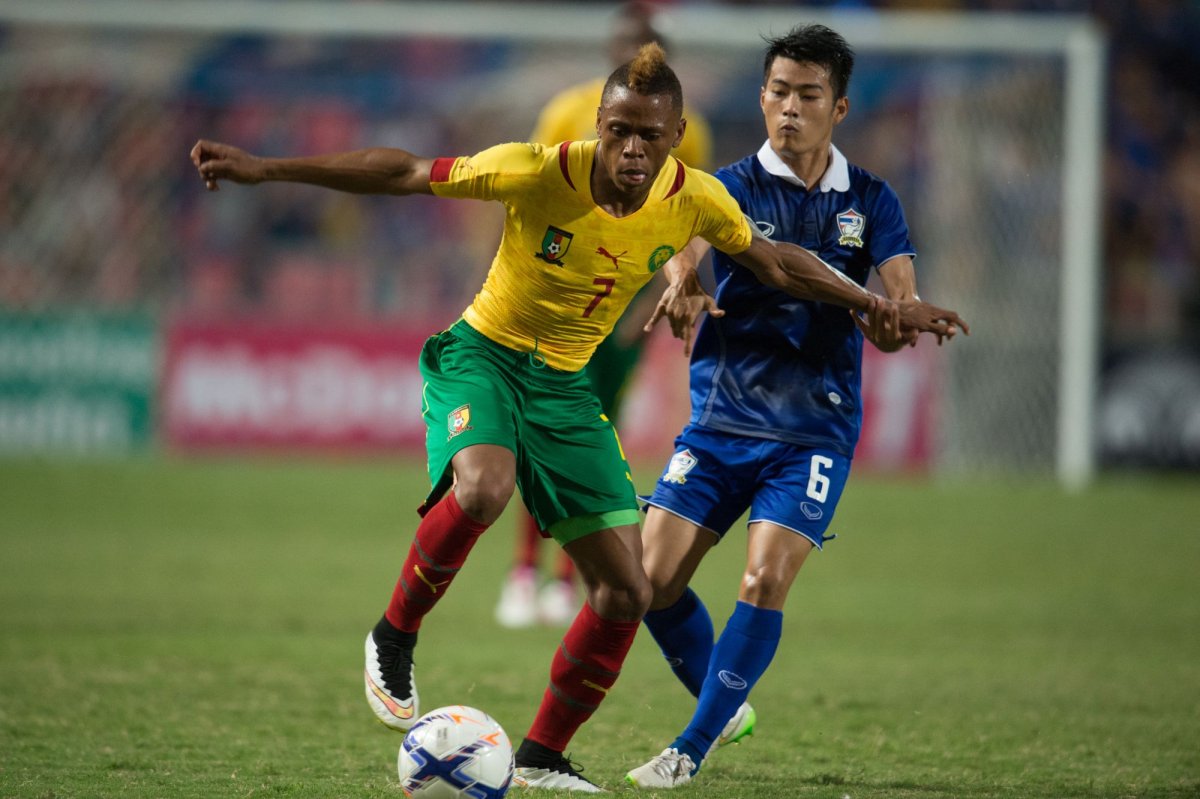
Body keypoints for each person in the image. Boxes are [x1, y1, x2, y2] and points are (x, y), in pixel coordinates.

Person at [191, 43, 965, 793]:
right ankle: (393, 635)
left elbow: (779, 260)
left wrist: (875, 302)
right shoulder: (534, 170)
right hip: (485, 355)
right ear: (597, 122)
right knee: (486, 487)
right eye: (618, 130)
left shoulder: (696, 196)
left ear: (675, 139)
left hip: (564, 388)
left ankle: (541, 756)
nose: (631, 149)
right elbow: (400, 171)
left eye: (649, 137)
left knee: (628, 591)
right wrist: (266, 168)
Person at [625, 24, 963, 789]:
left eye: (808, 95)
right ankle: (724, 699)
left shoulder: (873, 200)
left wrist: (895, 320)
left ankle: (691, 745)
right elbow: (686, 247)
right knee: (647, 584)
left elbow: (898, 306)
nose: (789, 108)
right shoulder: (731, 184)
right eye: (778, 91)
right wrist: (682, 282)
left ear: (838, 107)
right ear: (762, 97)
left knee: (762, 581)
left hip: (813, 427)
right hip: (721, 418)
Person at [495, 0, 715, 630]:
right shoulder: (568, 110)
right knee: (535, 432)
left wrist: (646, 301)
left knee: (594, 434)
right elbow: (526, 198)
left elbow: (688, 221)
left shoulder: (688, 130)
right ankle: (521, 572)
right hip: (552, 304)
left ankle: (566, 580)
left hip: (620, 313)